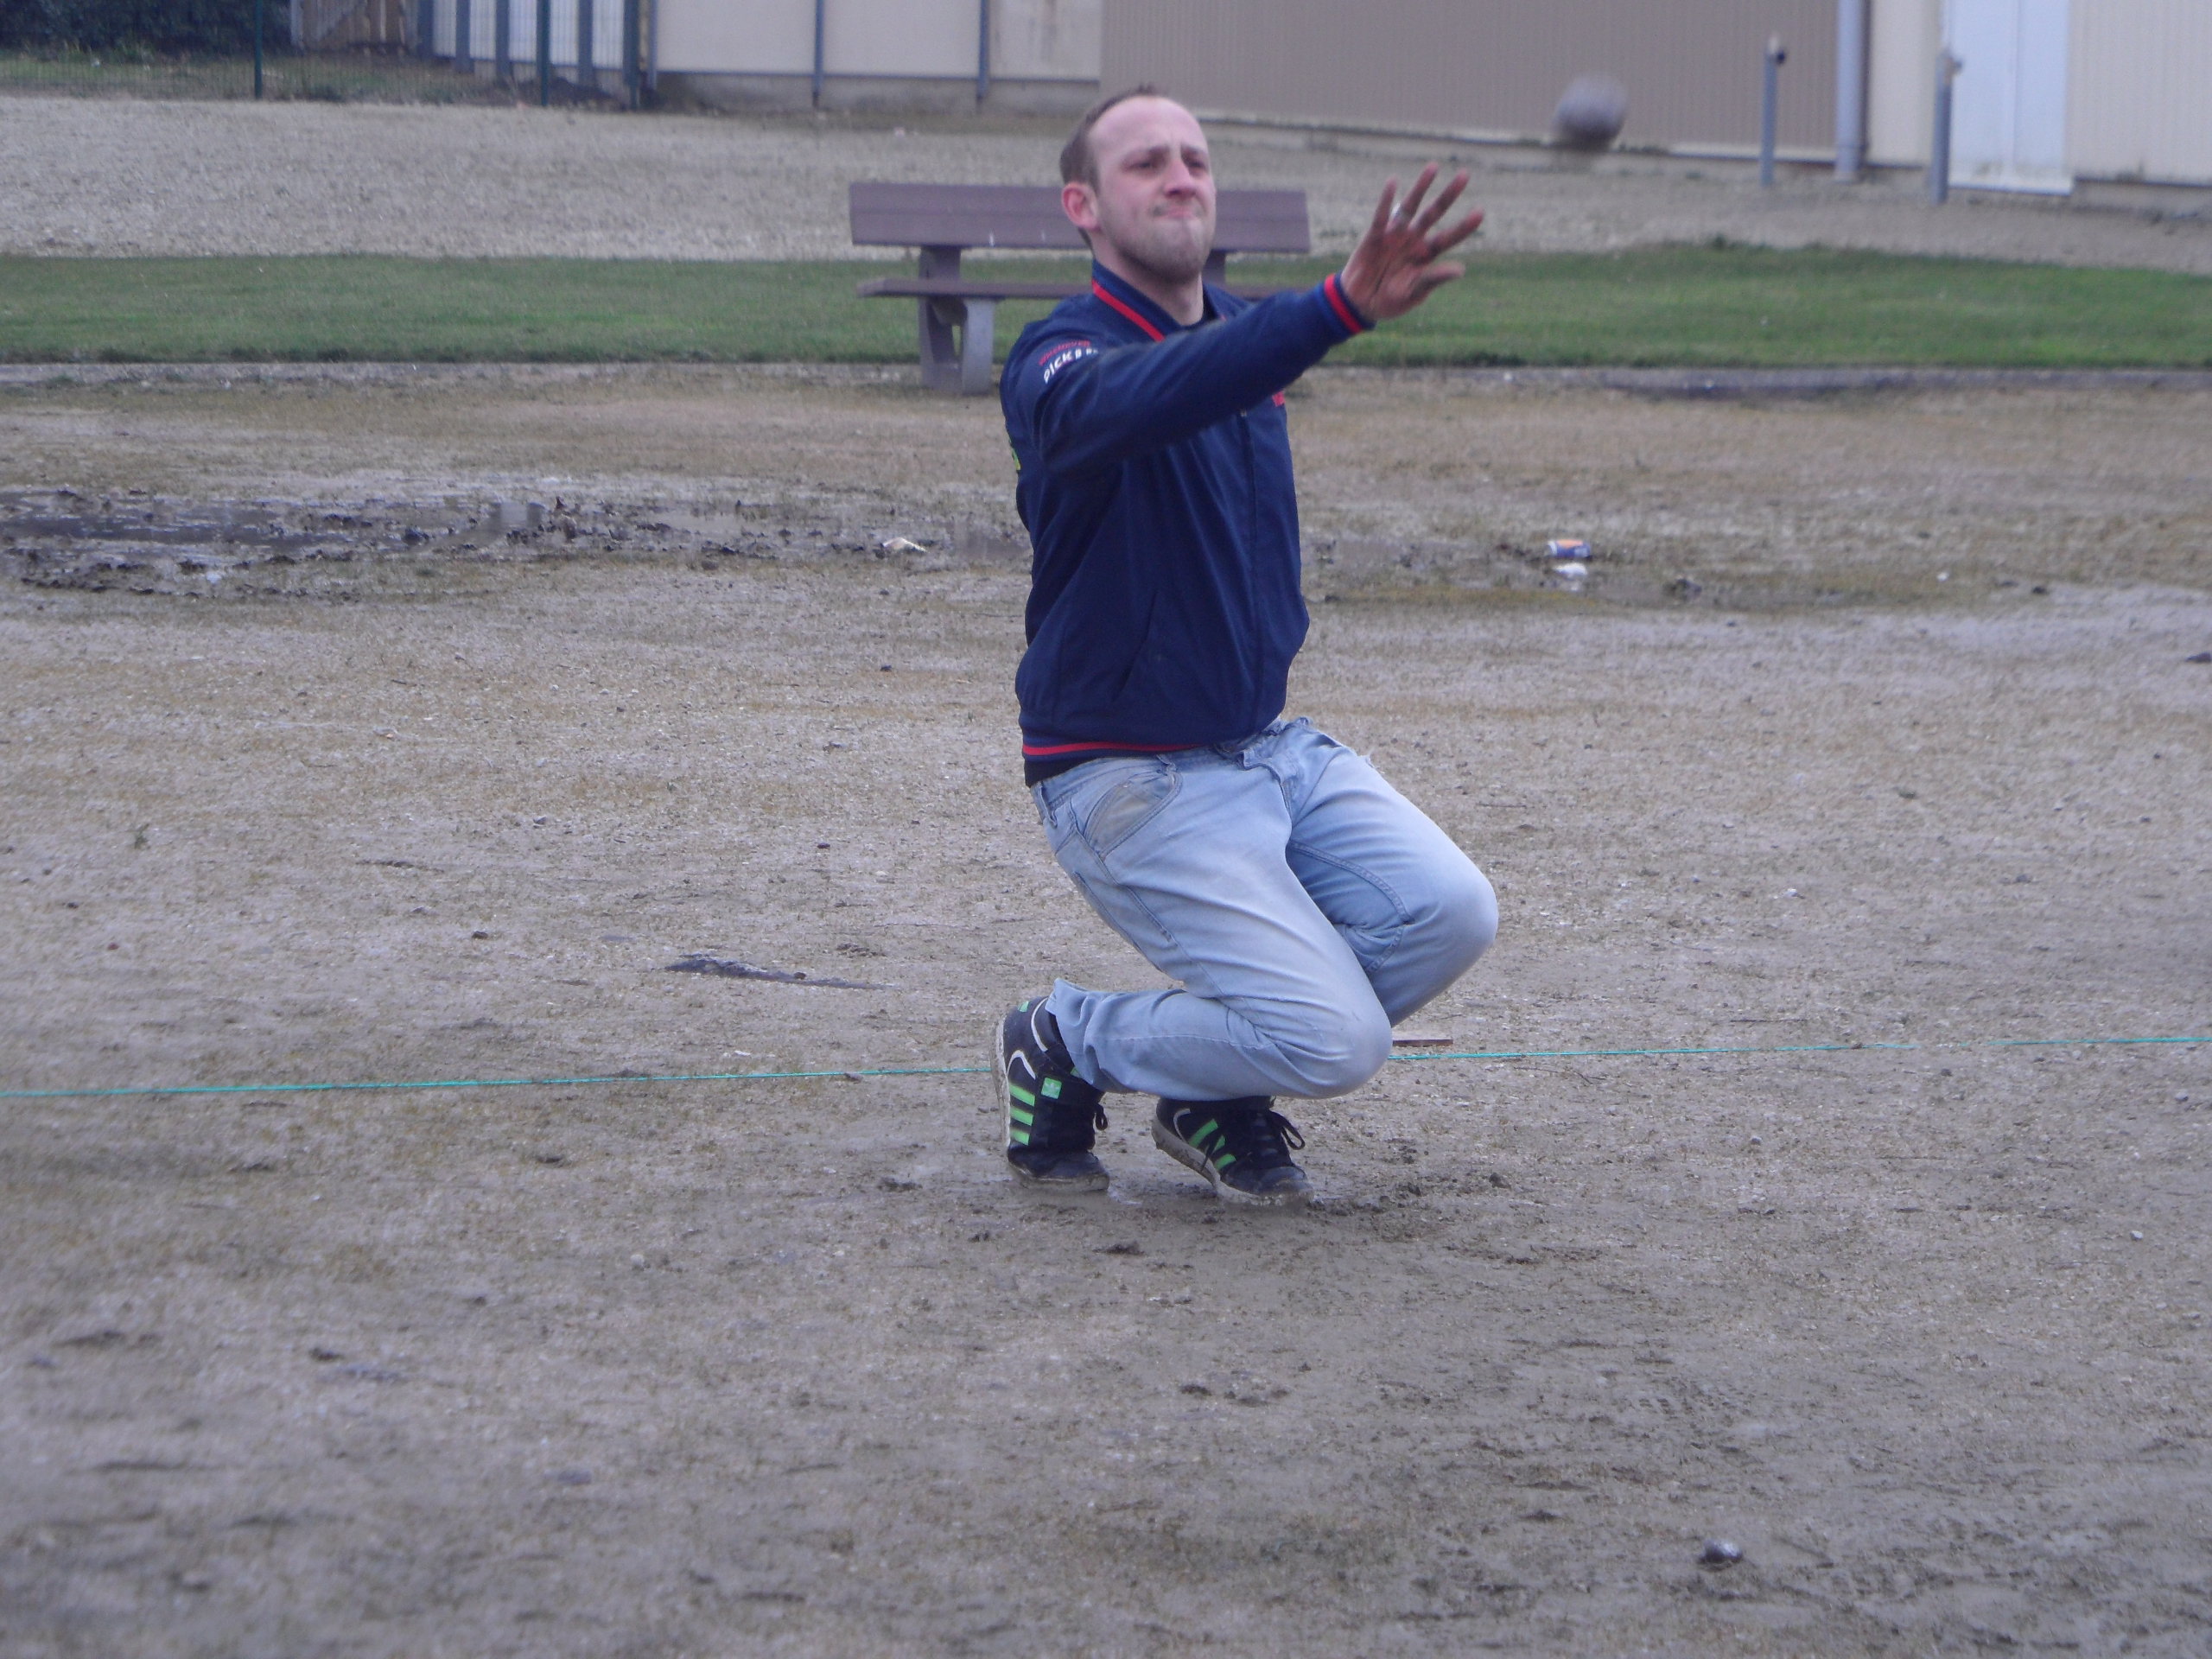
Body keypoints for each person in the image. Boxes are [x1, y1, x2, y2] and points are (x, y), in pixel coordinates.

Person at [993, 87, 1498, 1206]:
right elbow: (1135, 399)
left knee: (1453, 913)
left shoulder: (1246, 350)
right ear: (1082, 205)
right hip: (1124, 775)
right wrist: (1330, 310)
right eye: (1145, 164)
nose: (1180, 177)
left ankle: (1213, 1090)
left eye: (1194, 159)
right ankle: (1069, 1037)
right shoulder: (1058, 362)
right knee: (1335, 1043)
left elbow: (1222, 396)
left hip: (1262, 748)